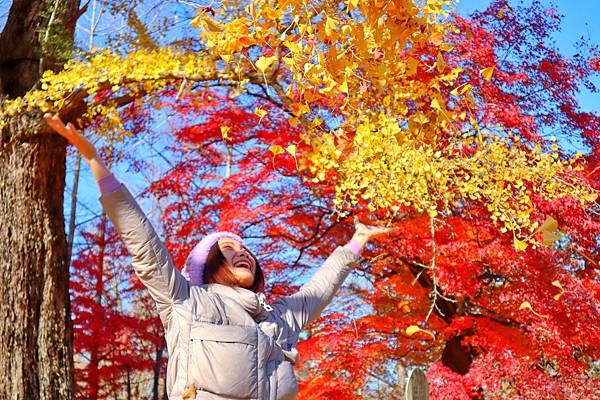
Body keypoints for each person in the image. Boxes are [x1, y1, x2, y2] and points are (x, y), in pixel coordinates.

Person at [45, 113, 395, 400]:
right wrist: (94, 162)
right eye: (228, 251)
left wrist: (357, 242)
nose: (242, 253)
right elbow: (144, 245)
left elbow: (318, 291)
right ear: (207, 266)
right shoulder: (186, 301)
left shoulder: (278, 319)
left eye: (245, 250)